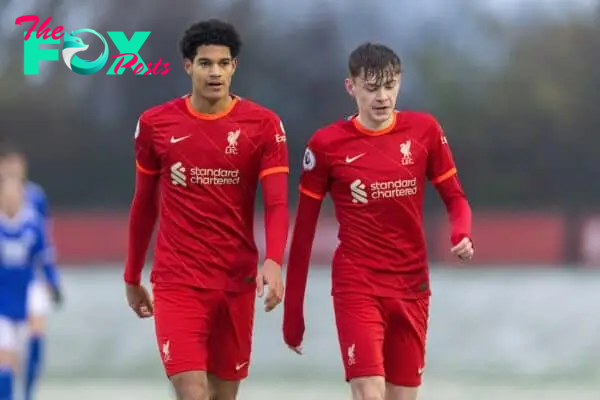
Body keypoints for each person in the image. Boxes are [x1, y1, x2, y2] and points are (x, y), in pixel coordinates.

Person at [282, 43, 474, 400]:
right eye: (371, 88)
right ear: (350, 87)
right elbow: (304, 235)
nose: (382, 97)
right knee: (369, 393)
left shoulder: (425, 131)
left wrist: (461, 233)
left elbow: (456, 198)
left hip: (411, 284)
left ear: (399, 82)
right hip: (358, 283)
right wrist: (293, 313)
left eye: (389, 86)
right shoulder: (326, 146)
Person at [123, 19, 289, 400]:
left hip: (236, 280)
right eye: (205, 63)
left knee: (222, 394)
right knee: (191, 389)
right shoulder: (155, 124)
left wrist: (274, 261)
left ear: (235, 67)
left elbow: (277, 203)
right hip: (177, 279)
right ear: (187, 66)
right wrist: (133, 275)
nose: (215, 72)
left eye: (223, 63)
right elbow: (144, 205)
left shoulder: (264, 126)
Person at [0, 148, 62, 400]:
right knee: (6, 358)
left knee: (36, 333)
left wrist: (53, 282)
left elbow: (44, 251)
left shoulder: (34, 211)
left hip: (29, 283)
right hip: (3, 292)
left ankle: (28, 393)